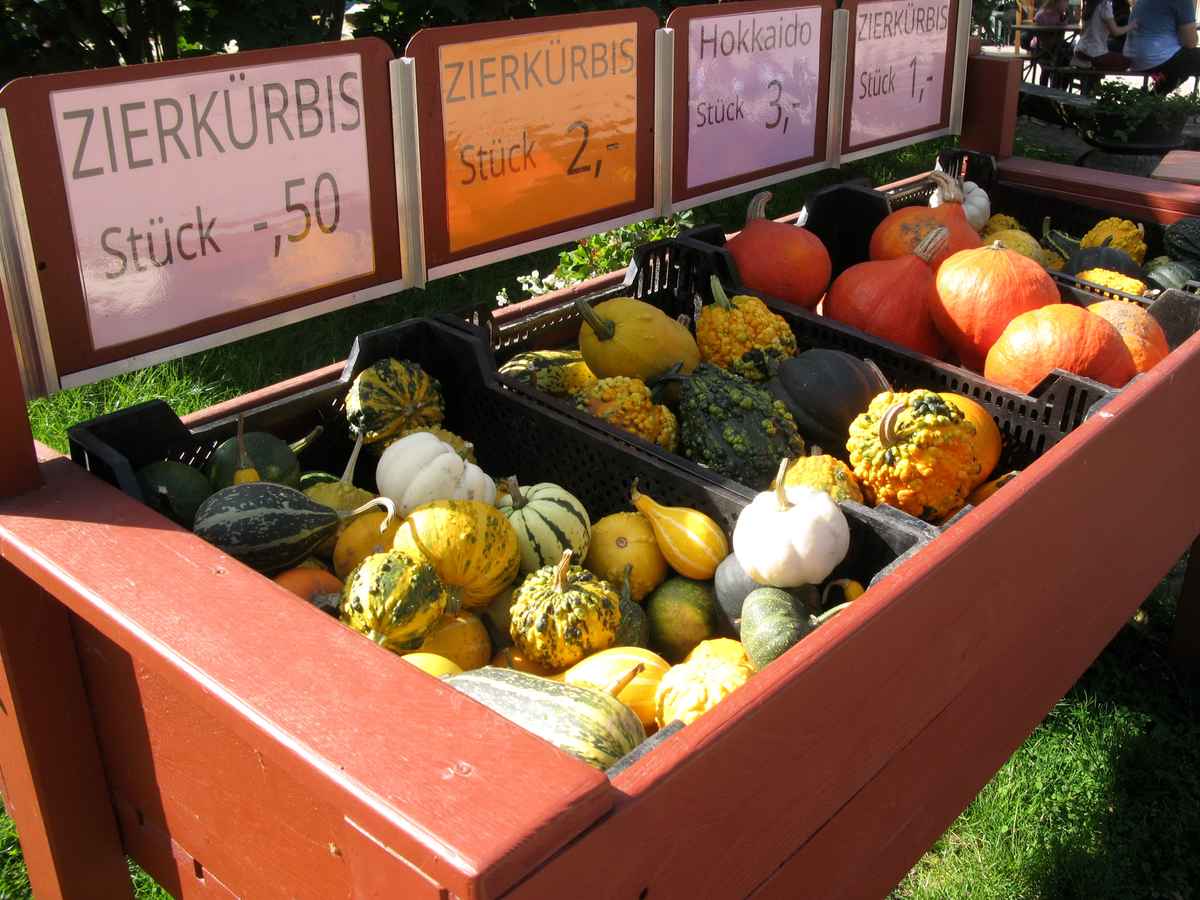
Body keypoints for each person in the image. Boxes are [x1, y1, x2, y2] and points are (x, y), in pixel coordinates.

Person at [1123, 0, 1200, 93]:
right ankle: (1153, 98)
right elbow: (1190, 42)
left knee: (1186, 61)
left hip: (1132, 55)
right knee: (1192, 58)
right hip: (1154, 59)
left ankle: (1152, 97)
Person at [1073, 0, 1136, 69]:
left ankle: (1093, 73)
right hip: (1095, 53)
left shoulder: (1088, 4)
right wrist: (1131, 26)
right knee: (1129, 61)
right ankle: (1094, 68)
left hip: (1079, 51)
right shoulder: (1105, 5)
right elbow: (1115, 32)